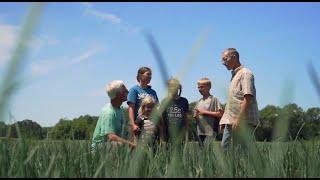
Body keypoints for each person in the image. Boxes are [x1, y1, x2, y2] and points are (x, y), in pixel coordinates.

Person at [219, 48, 260, 152]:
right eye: (222, 60)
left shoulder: (245, 73)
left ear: (234, 57)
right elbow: (232, 101)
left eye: (225, 59)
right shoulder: (235, 76)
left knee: (240, 152)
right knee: (225, 149)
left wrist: (239, 118)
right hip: (231, 120)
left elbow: (248, 97)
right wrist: (224, 120)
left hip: (243, 121)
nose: (223, 63)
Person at [91, 80, 135, 152]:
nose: (128, 92)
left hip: (111, 145)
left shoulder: (120, 109)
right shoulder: (109, 112)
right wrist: (131, 145)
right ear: (118, 95)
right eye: (125, 90)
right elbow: (111, 137)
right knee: (119, 145)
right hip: (100, 149)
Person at [127, 67, 159, 139]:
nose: (150, 77)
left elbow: (156, 109)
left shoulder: (153, 92)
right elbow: (131, 108)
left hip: (150, 125)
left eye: (151, 75)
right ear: (140, 76)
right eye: (148, 74)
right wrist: (133, 124)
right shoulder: (134, 90)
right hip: (138, 124)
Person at [193, 78, 224, 145]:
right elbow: (196, 115)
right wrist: (196, 116)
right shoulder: (199, 101)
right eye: (198, 87)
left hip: (211, 131)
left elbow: (220, 114)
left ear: (209, 87)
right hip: (200, 131)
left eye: (202, 87)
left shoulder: (214, 99)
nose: (199, 89)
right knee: (202, 152)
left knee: (207, 151)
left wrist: (204, 112)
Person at [160, 78, 189, 144]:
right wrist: (162, 137)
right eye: (170, 86)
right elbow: (162, 121)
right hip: (167, 135)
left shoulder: (184, 101)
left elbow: (186, 119)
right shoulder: (164, 101)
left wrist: (186, 136)